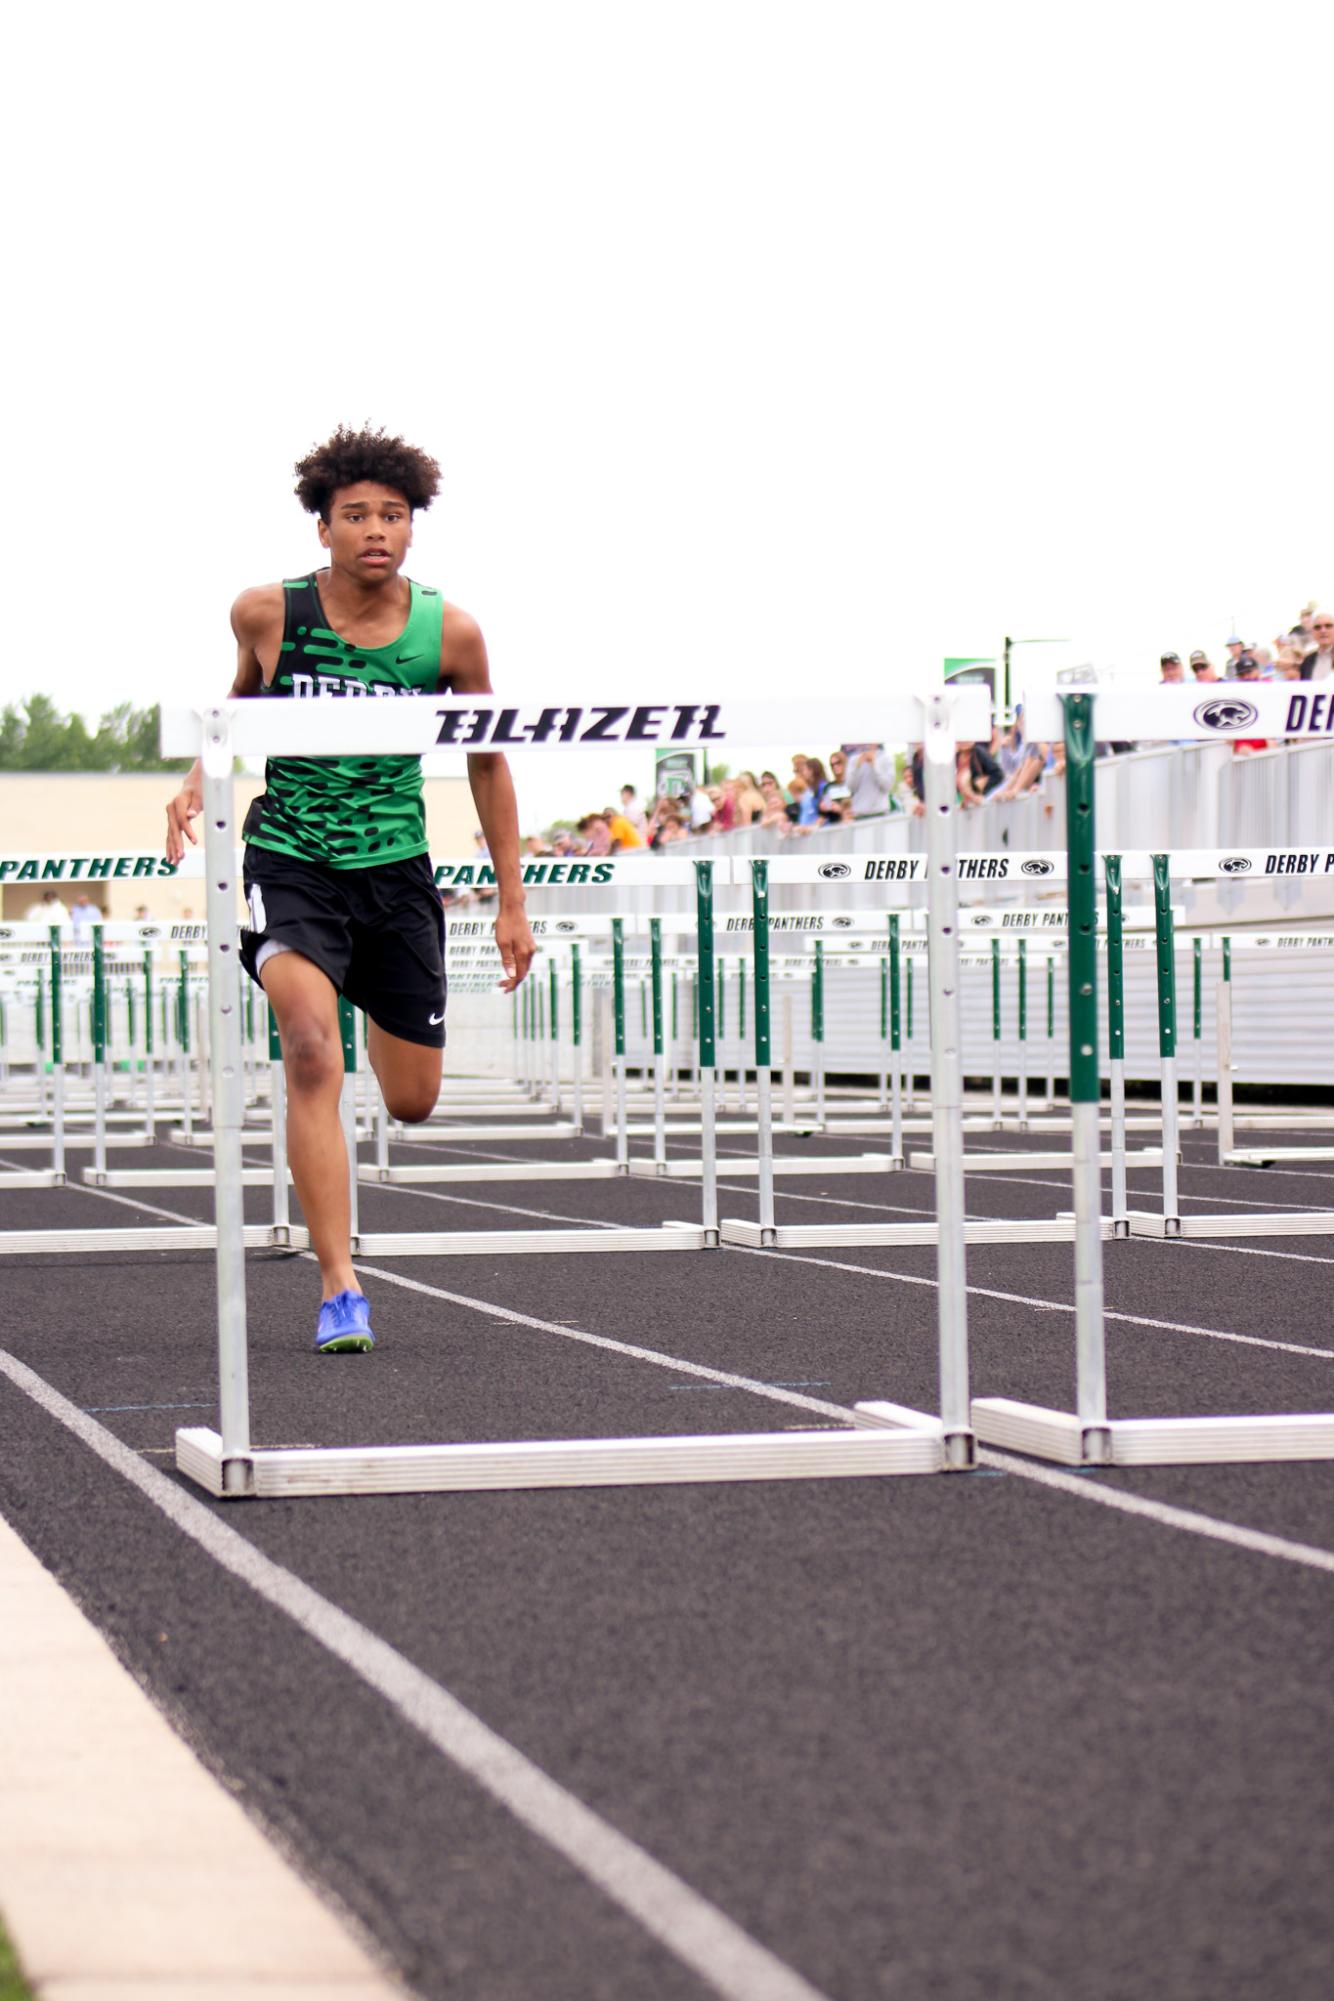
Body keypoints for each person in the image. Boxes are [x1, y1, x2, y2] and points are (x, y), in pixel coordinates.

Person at [164, 424, 534, 1355]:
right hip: (293, 861)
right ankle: (340, 1286)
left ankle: (370, 992)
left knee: (411, 1099)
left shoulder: (448, 632)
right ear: (322, 527)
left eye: (394, 515)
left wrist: (511, 898)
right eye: (357, 514)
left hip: (397, 876)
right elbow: (239, 705)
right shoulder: (267, 612)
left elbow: (489, 760)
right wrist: (192, 782)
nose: (377, 529)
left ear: (413, 528)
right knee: (313, 1053)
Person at [1301, 613, 1334, 681]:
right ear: (1312, 632)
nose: (1323, 631)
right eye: (1317, 627)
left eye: (1328, 626)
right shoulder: (1307, 661)